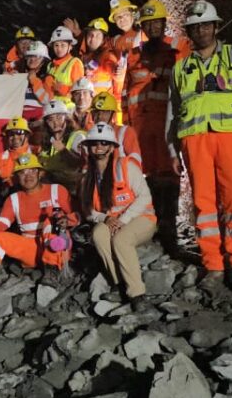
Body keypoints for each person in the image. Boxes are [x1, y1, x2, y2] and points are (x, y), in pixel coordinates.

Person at [169, 0, 232, 296]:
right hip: (194, 141)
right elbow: (173, 111)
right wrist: (171, 148)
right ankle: (213, 265)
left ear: (216, 26)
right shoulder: (181, 68)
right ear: (189, 32)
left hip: (231, 138)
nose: (201, 30)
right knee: (203, 205)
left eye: (205, 25)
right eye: (195, 27)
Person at [124, 0, 192, 246]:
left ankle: (169, 227)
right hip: (139, 125)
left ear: (164, 23)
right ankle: (150, 224)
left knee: (169, 172)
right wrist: (125, 126)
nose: (152, 27)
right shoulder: (133, 55)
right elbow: (125, 91)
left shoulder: (178, 48)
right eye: (148, 23)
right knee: (146, 173)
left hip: (166, 122)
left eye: (156, 22)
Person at [80, 122, 157, 311]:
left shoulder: (125, 166)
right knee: (99, 234)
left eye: (104, 143)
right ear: (88, 147)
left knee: (121, 240)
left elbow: (145, 196)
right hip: (111, 221)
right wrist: (105, 219)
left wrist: (122, 220)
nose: (99, 147)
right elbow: (88, 211)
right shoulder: (86, 177)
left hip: (141, 218)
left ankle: (136, 293)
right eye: (95, 143)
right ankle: (118, 284)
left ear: (112, 147)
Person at [0, 154, 76, 288]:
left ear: (40, 173)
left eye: (32, 171)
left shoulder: (57, 191)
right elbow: (3, 223)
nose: (28, 175)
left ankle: (52, 272)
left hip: (57, 248)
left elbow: (77, 216)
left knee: (50, 221)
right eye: (22, 172)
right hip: (31, 250)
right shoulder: (14, 199)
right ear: (17, 178)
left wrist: (67, 221)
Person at [37, 97, 87, 193]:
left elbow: (81, 164)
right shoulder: (46, 141)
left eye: (59, 117)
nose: (55, 123)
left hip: (71, 188)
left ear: (66, 117)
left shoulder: (78, 136)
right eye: (51, 119)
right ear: (46, 122)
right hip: (50, 186)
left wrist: (63, 151)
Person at [90, 92, 142, 166]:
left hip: (120, 177)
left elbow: (136, 162)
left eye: (105, 112)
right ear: (91, 114)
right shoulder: (90, 136)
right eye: (96, 112)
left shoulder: (125, 132)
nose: (100, 116)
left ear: (113, 115)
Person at [80, 18, 124, 107]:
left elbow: (111, 67)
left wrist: (116, 72)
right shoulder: (85, 57)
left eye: (97, 35)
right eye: (90, 34)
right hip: (89, 106)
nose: (93, 38)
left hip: (103, 106)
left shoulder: (107, 55)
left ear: (104, 39)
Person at [47, 26, 84, 97]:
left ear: (70, 47)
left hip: (67, 107)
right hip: (51, 106)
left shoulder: (74, 63)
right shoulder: (50, 65)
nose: (59, 49)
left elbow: (79, 90)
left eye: (63, 45)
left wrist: (62, 88)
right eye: (56, 45)